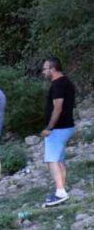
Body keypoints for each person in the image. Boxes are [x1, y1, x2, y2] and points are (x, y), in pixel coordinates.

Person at [40, 57, 77, 207]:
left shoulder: (58, 84)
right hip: (66, 126)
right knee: (59, 160)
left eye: (45, 69)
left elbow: (58, 108)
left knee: (52, 160)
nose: (43, 72)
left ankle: (61, 192)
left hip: (59, 128)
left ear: (53, 69)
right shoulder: (66, 81)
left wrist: (49, 128)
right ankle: (60, 189)